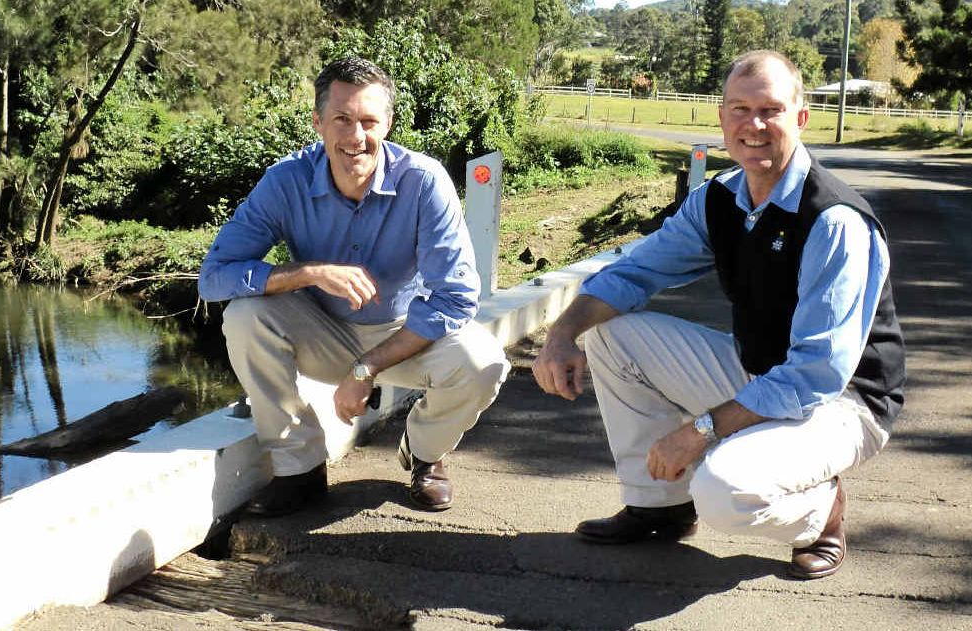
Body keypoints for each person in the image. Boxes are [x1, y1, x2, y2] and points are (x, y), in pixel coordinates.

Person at [532, 50, 904, 579]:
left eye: (770, 110)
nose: (752, 125)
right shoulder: (719, 200)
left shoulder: (835, 221)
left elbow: (816, 373)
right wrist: (562, 332)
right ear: (722, 117)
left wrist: (700, 431)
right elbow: (634, 274)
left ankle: (820, 511)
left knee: (724, 490)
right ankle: (658, 505)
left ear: (800, 118)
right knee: (610, 333)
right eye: (738, 109)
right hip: (762, 373)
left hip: (842, 404)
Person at [198, 57, 509, 515]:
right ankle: (299, 469)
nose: (355, 136)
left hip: (407, 335)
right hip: (321, 329)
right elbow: (214, 277)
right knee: (243, 316)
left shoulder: (423, 182)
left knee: (483, 364)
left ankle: (424, 454)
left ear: (389, 122)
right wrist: (309, 272)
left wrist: (366, 369)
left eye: (368, 121)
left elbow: (456, 296)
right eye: (341, 119)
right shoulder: (285, 182)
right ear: (318, 121)